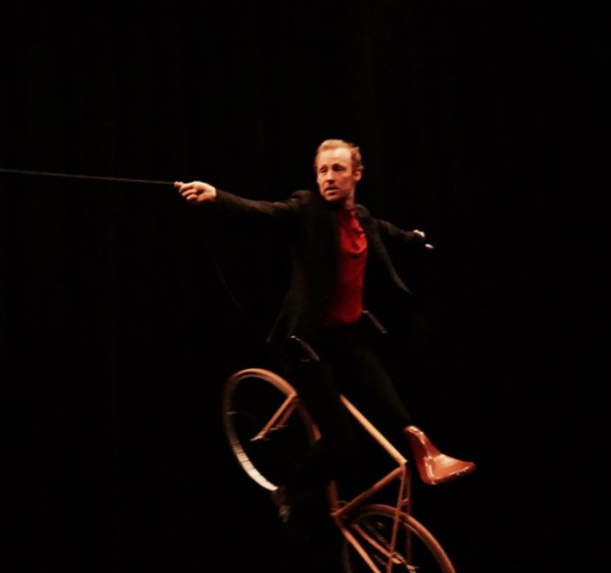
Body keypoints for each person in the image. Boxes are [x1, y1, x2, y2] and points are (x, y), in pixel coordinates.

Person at [175, 138, 475, 540]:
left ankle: (427, 459)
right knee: (341, 443)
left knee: (396, 415)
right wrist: (217, 197)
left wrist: (415, 240)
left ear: (357, 174)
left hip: (348, 339)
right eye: (322, 170)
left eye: (337, 169)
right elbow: (265, 212)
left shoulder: (361, 217)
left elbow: (387, 233)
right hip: (306, 344)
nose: (328, 178)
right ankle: (290, 491)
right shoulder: (307, 209)